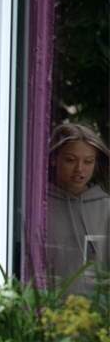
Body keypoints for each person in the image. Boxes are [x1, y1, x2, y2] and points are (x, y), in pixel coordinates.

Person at [46, 123, 110, 294]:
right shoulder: (39, 206)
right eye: (70, 160)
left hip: (97, 315)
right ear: (54, 159)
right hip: (46, 310)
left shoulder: (107, 208)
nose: (79, 169)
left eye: (88, 161)